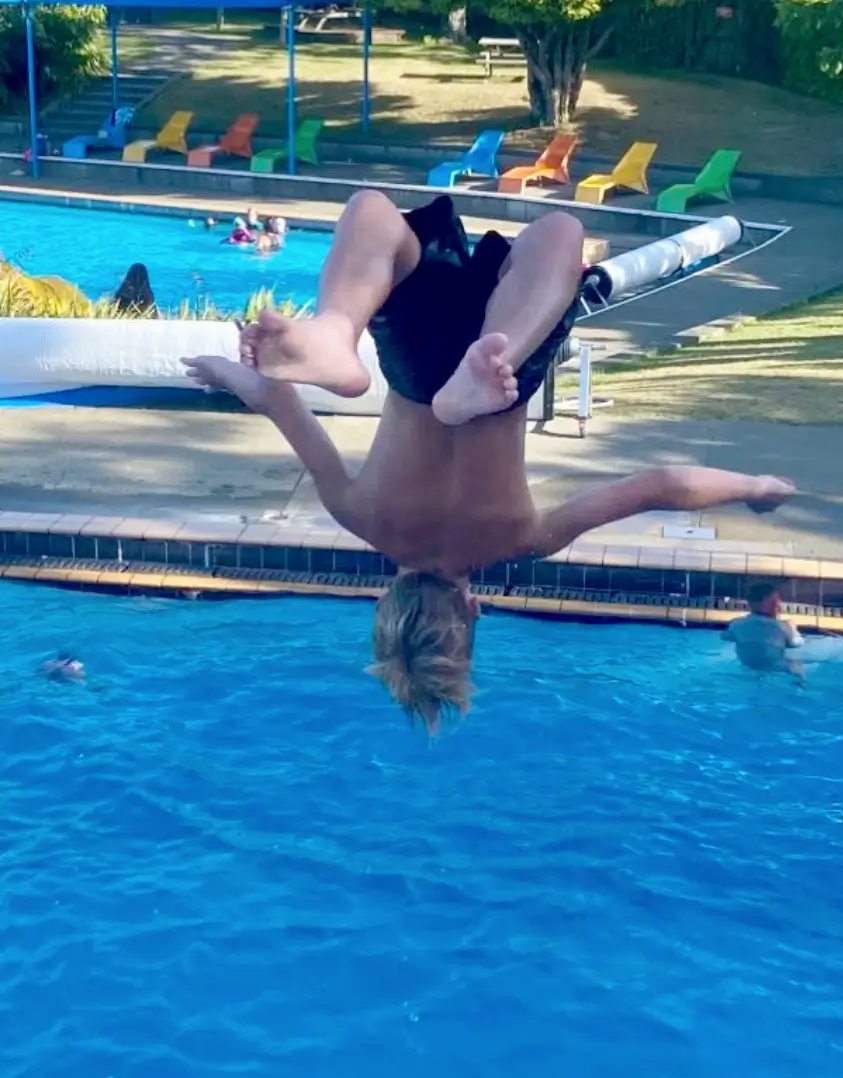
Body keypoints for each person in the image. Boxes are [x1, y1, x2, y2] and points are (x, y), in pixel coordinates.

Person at [182, 192, 797, 732]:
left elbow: (663, 485)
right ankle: (336, 335)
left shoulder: (523, 538)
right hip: (421, 373)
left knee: (558, 236)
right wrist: (233, 374)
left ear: (473, 611)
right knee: (372, 216)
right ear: (382, 604)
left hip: (504, 371)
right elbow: (275, 401)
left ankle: (467, 369)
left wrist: (758, 485)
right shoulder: (358, 515)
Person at [725, 580, 805, 682]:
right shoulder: (783, 627)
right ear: (767, 604)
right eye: (775, 602)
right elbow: (797, 643)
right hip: (775, 667)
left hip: (746, 666)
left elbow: (726, 636)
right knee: (796, 665)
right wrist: (793, 628)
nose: (778, 606)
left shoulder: (736, 624)